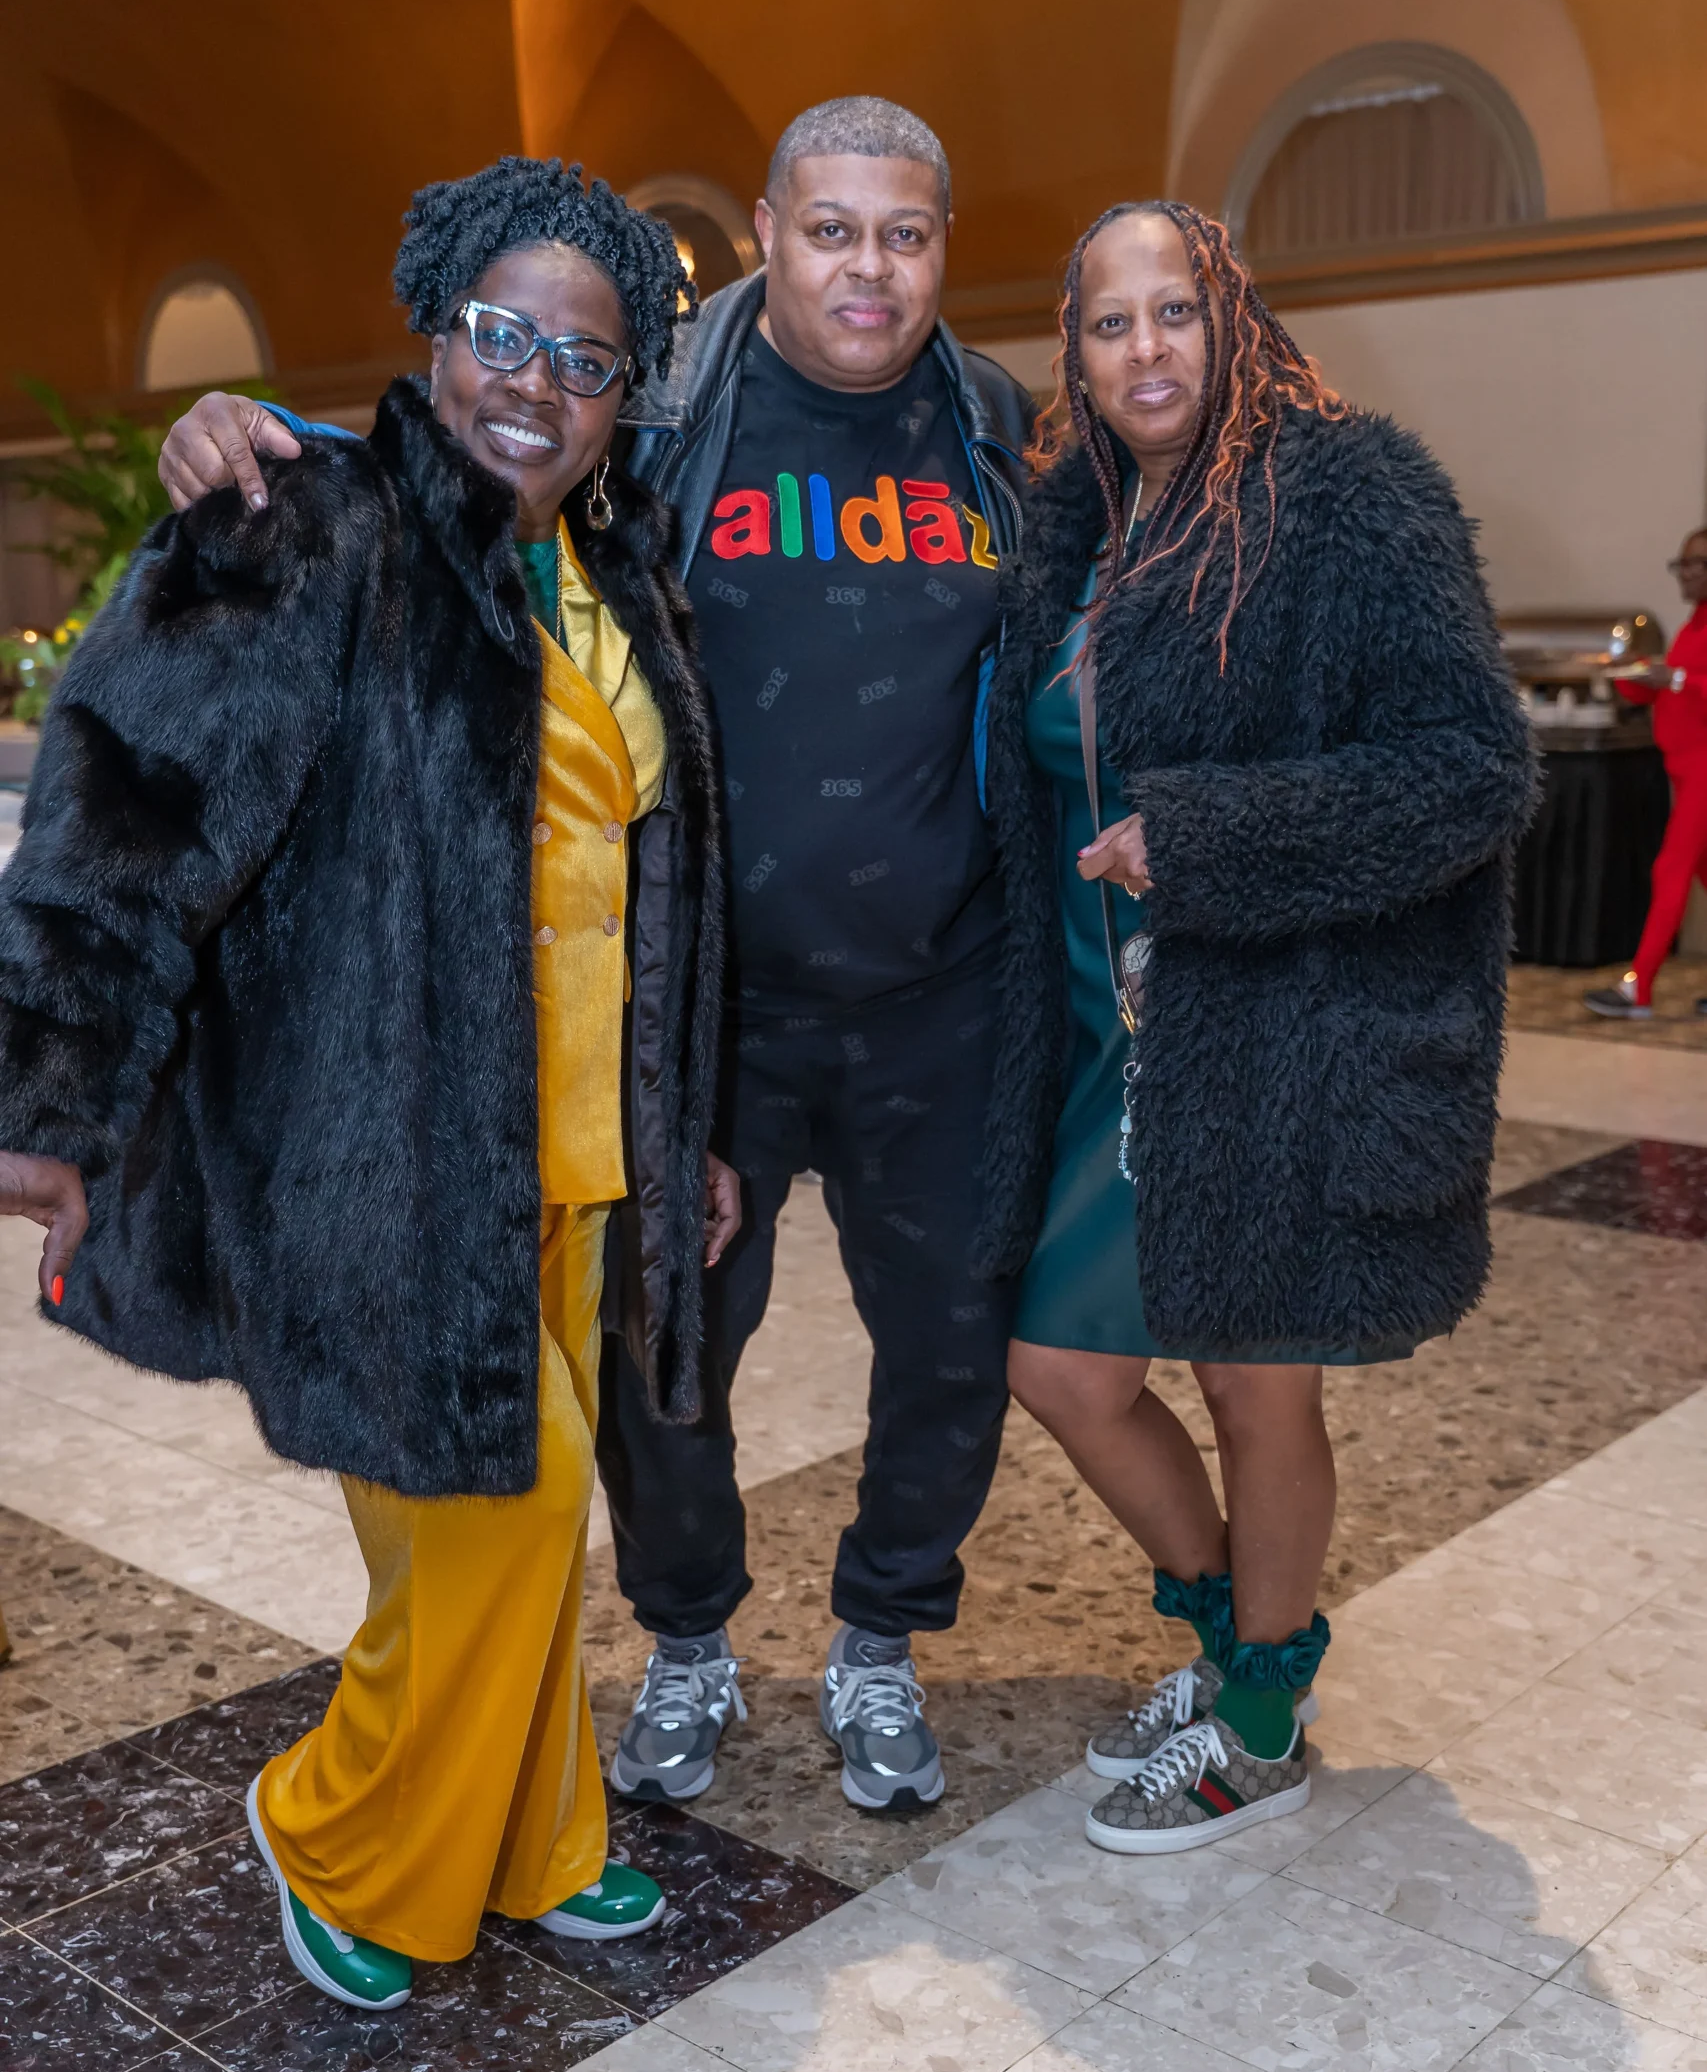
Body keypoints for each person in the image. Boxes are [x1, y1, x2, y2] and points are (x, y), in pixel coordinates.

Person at [155, 97, 1037, 1819]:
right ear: (767, 233)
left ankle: (880, 1637)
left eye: (905, 232)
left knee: (950, 1348)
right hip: (707, 1005)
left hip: (946, 993)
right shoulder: (667, 403)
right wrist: (244, 433)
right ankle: (688, 1635)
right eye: (831, 228)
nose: (867, 266)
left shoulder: (993, 424)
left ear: (943, 246)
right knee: (662, 1359)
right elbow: (485, 438)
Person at [0, 157, 736, 2008]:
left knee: (503, 1541)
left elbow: (661, 887)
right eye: (503, 333)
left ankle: (534, 1835)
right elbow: (128, 812)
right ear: (435, 329)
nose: (535, 383)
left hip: (575, 1156)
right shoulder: (302, 521)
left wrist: (686, 1127)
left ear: (623, 393)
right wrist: (50, 1099)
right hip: (377, 1151)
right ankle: (336, 1826)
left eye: (586, 357)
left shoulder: (618, 570)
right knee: (511, 1504)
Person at [976, 200, 1533, 1854]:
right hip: (1105, 1036)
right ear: (1073, 353)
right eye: (1108, 322)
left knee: (1249, 1381)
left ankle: (1263, 1724)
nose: (1144, 348)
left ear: (1232, 321)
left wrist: (1206, 838)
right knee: (1059, 1365)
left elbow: (1470, 768)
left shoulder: (1347, 497)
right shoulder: (1072, 522)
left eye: (1175, 312)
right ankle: (1239, 1645)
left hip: (1277, 1024)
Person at [1584, 526, 1707, 1020]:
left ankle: (1639, 986)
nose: (1686, 573)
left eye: (1696, 564)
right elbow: (1675, 692)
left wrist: (1672, 677)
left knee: (1670, 869)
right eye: (1682, 564)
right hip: (1683, 767)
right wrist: (1632, 677)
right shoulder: (1693, 627)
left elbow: (1688, 684)